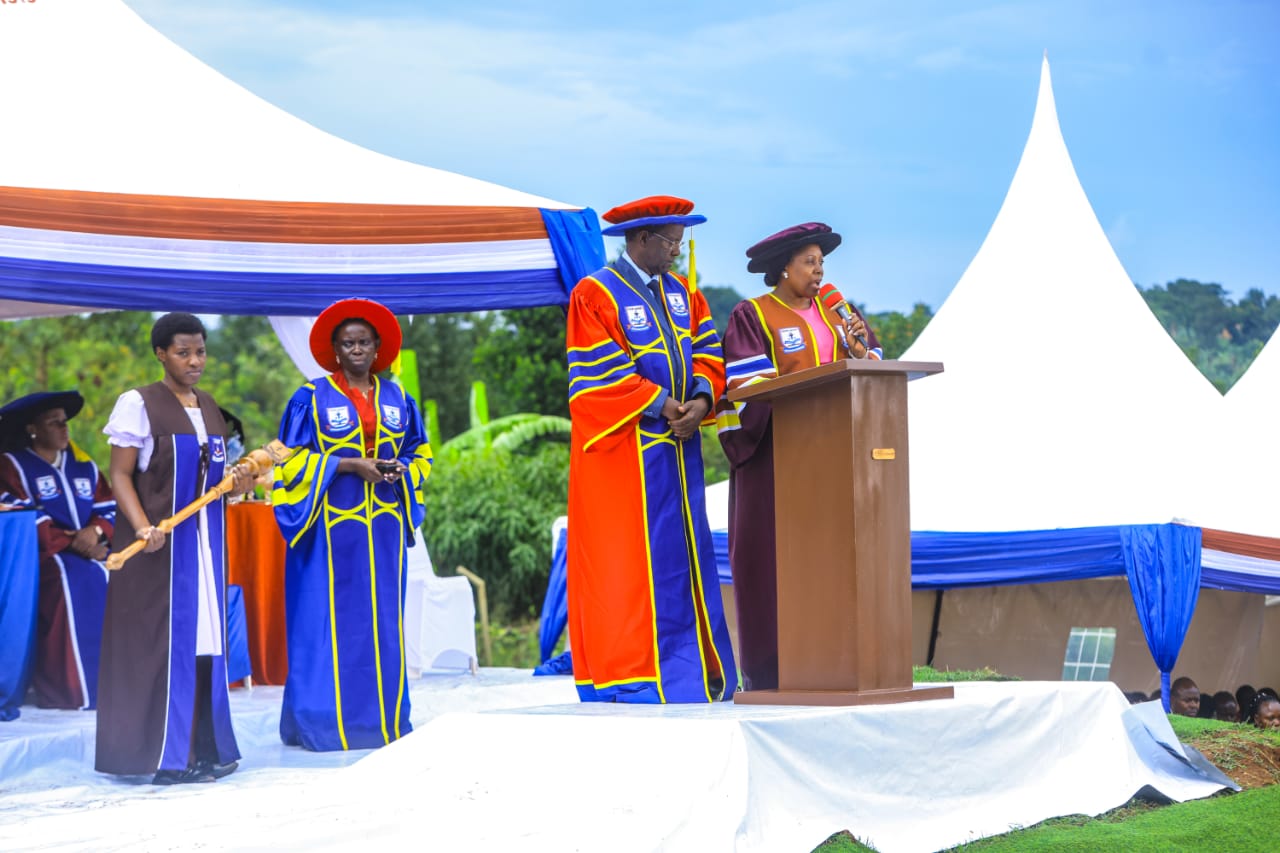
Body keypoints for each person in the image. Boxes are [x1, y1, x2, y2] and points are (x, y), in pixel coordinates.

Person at [565, 195, 737, 703]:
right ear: (641, 239)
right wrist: (663, 405)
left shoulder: (684, 294)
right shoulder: (595, 294)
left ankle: (697, 673)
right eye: (670, 243)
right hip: (629, 456)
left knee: (686, 555)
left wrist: (701, 400)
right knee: (633, 566)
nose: (677, 253)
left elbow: (709, 351)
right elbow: (598, 377)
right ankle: (639, 677)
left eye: (680, 243)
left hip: (680, 453)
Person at [714, 222, 881, 692]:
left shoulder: (838, 313)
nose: (819, 270)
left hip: (834, 455)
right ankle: (773, 672)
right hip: (776, 459)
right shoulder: (754, 315)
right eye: (809, 262)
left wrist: (857, 349)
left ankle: (833, 662)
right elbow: (747, 387)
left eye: (821, 262)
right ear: (783, 267)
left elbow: (873, 366)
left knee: (831, 560)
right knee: (774, 562)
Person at [96, 313, 253, 784]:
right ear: (161, 354)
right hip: (158, 554)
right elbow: (120, 474)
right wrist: (142, 527)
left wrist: (237, 481)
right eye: (183, 353)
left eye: (200, 351)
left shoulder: (209, 406)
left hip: (204, 550)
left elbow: (212, 481)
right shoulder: (138, 404)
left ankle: (205, 750)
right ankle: (165, 758)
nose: (194, 361)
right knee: (160, 648)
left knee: (204, 644)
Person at [272, 298, 432, 750]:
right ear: (335, 350)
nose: (357, 350)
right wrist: (347, 465)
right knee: (326, 623)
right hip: (329, 530)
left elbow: (421, 453)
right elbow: (288, 460)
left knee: (382, 623)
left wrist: (402, 470)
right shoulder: (310, 398)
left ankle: (381, 721)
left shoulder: (399, 398)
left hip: (383, 530)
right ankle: (324, 721)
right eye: (347, 344)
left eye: (363, 342)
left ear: (378, 347)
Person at [0, 391, 115, 710]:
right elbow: (21, 513)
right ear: (33, 429)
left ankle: (121, 686)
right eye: (54, 423)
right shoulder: (12, 466)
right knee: (71, 580)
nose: (65, 429)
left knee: (126, 573)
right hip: (41, 557)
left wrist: (95, 533)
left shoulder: (84, 466)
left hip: (91, 551)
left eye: (65, 422)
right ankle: (70, 690)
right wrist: (75, 543)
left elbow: (108, 507)